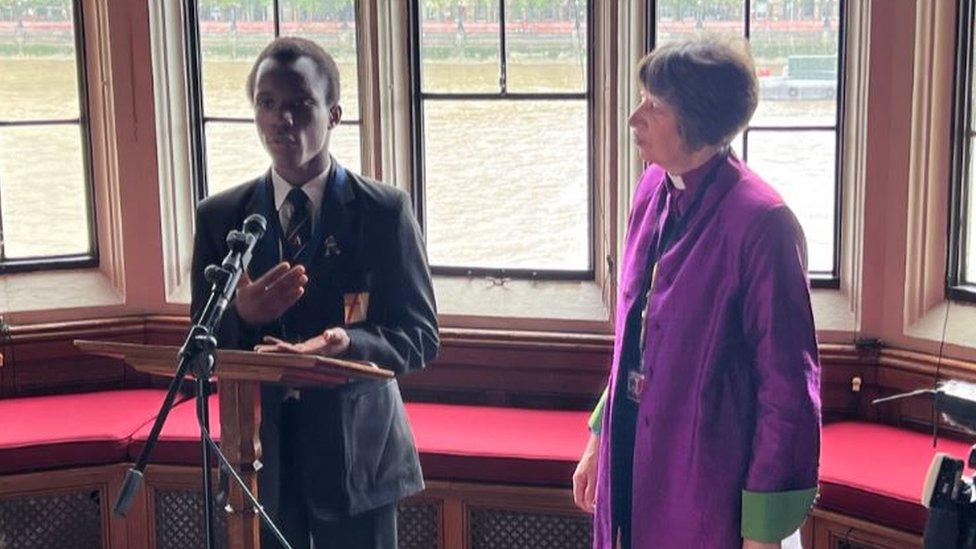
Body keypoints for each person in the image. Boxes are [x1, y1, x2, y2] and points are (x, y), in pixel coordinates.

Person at [190, 37, 438, 549]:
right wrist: (242, 313)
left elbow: (420, 336)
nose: (282, 120)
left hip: (357, 459)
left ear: (334, 114)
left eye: (300, 104)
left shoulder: (384, 211)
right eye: (267, 104)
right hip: (257, 456)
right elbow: (198, 352)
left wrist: (343, 344)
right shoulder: (221, 218)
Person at [573, 38, 821, 548]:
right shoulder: (650, 188)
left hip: (710, 483)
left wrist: (763, 532)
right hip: (633, 457)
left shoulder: (763, 224)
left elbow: (788, 391)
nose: (634, 118)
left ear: (701, 122)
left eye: (655, 107)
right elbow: (636, 335)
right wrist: (600, 438)